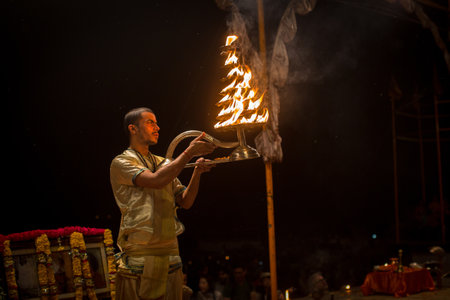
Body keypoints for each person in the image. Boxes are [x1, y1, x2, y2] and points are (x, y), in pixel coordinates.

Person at [110, 107, 216, 300]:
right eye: (150, 122)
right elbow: (155, 180)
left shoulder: (162, 163)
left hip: (171, 253)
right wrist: (188, 153)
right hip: (141, 254)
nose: (157, 127)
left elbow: (185, 201)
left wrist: (197, 173)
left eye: (157, 123)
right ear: (133, 129)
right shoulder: (121, 162)